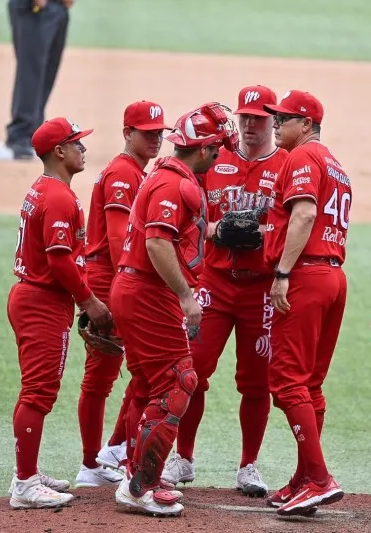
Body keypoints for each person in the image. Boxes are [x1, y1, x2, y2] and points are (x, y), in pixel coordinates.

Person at [111, 102, 239, 516]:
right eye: (216, 148)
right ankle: (141, 487)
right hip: (149, 292)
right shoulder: (173, 184)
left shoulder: (167, 176)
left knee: (147, 386)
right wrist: (186, 296)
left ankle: (136, 475)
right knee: (178, 383)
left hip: (135, 288)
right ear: (202, 149)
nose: (219, 155)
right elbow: (157, 243)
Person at [161, 86, 288, 497]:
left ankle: (249, 465)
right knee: (192, 370)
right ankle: (183, 458)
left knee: (256, 382)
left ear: (273, 120)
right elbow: (188, 221)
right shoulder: (214, 159)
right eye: (245, 117)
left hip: (260, 290)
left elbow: (297, 223)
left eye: (259, 118)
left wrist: (262, 234)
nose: (250, 125)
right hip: (214, 283)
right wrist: (216, 230)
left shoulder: (286, 165)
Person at [6, 117, 111, 509]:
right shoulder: (58, 197)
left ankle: (27, 472)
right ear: (59, 151)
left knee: (36, 390)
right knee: (38, 392)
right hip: (42, 302)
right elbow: (60, 260)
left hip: (33, 296)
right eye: (76, 143)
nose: (83, 149)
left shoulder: (44, 188)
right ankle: (24, 484)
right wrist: (89, 301)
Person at [261, 90, 351, 516]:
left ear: (308, 124)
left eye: (285, 118)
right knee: (310, 383)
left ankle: (317, 478)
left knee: (287, 380)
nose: (277, 124)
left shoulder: (302, 156)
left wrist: (282, 272)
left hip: (306, 275)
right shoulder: (334, 163)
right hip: (332, 275)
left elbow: (305, 215)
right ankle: (303, 479)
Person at [74, 101, 171, 488]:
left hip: (115, 277)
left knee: (138, 372)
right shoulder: (123, 173)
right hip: (109, 277)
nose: (156, 139)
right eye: (147, 133)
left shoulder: (134, 171)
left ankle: (112, 452)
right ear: (127, 133)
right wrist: (122, 292)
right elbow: (118, 239)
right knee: (101, 378)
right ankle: (91, 464)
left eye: (159, 133)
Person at [0, 0, 74, 161]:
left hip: (56, 8)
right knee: (32, 71)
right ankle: (21, 140)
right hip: (34, 7)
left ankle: (31, 138)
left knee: (43, 73)